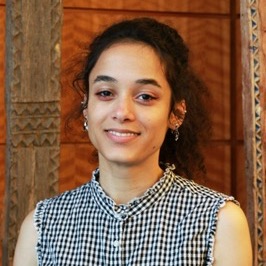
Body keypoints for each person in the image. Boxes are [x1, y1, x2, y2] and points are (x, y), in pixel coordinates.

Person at [14, 17, 252, 265]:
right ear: (86, 107)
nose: (122, 112)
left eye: (145, 96)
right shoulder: (41, 227)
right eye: (105, 93)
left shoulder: (220, 222)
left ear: (176, 113)